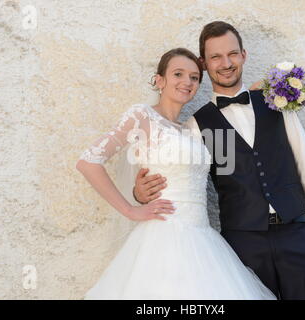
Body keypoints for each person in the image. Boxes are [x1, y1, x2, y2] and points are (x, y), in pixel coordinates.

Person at [134, 21, 305, 300]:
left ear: (243, 55)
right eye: (216, 57)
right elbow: (179, 176)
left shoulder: (276, 103)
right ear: (204, 64)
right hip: (242, 247)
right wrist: (140, 193)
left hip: (297, 235)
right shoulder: (196, 127)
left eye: (232, 54)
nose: (226, 63)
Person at [76, 47, 277, 299]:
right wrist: (131, 208)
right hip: (163, 234)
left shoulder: (191, 129)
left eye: (194, 77)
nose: (187, 82)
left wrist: (256, 94)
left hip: (204, 239)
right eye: (178, 74)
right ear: (159, 80)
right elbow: (88, 162)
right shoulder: (142, 116)